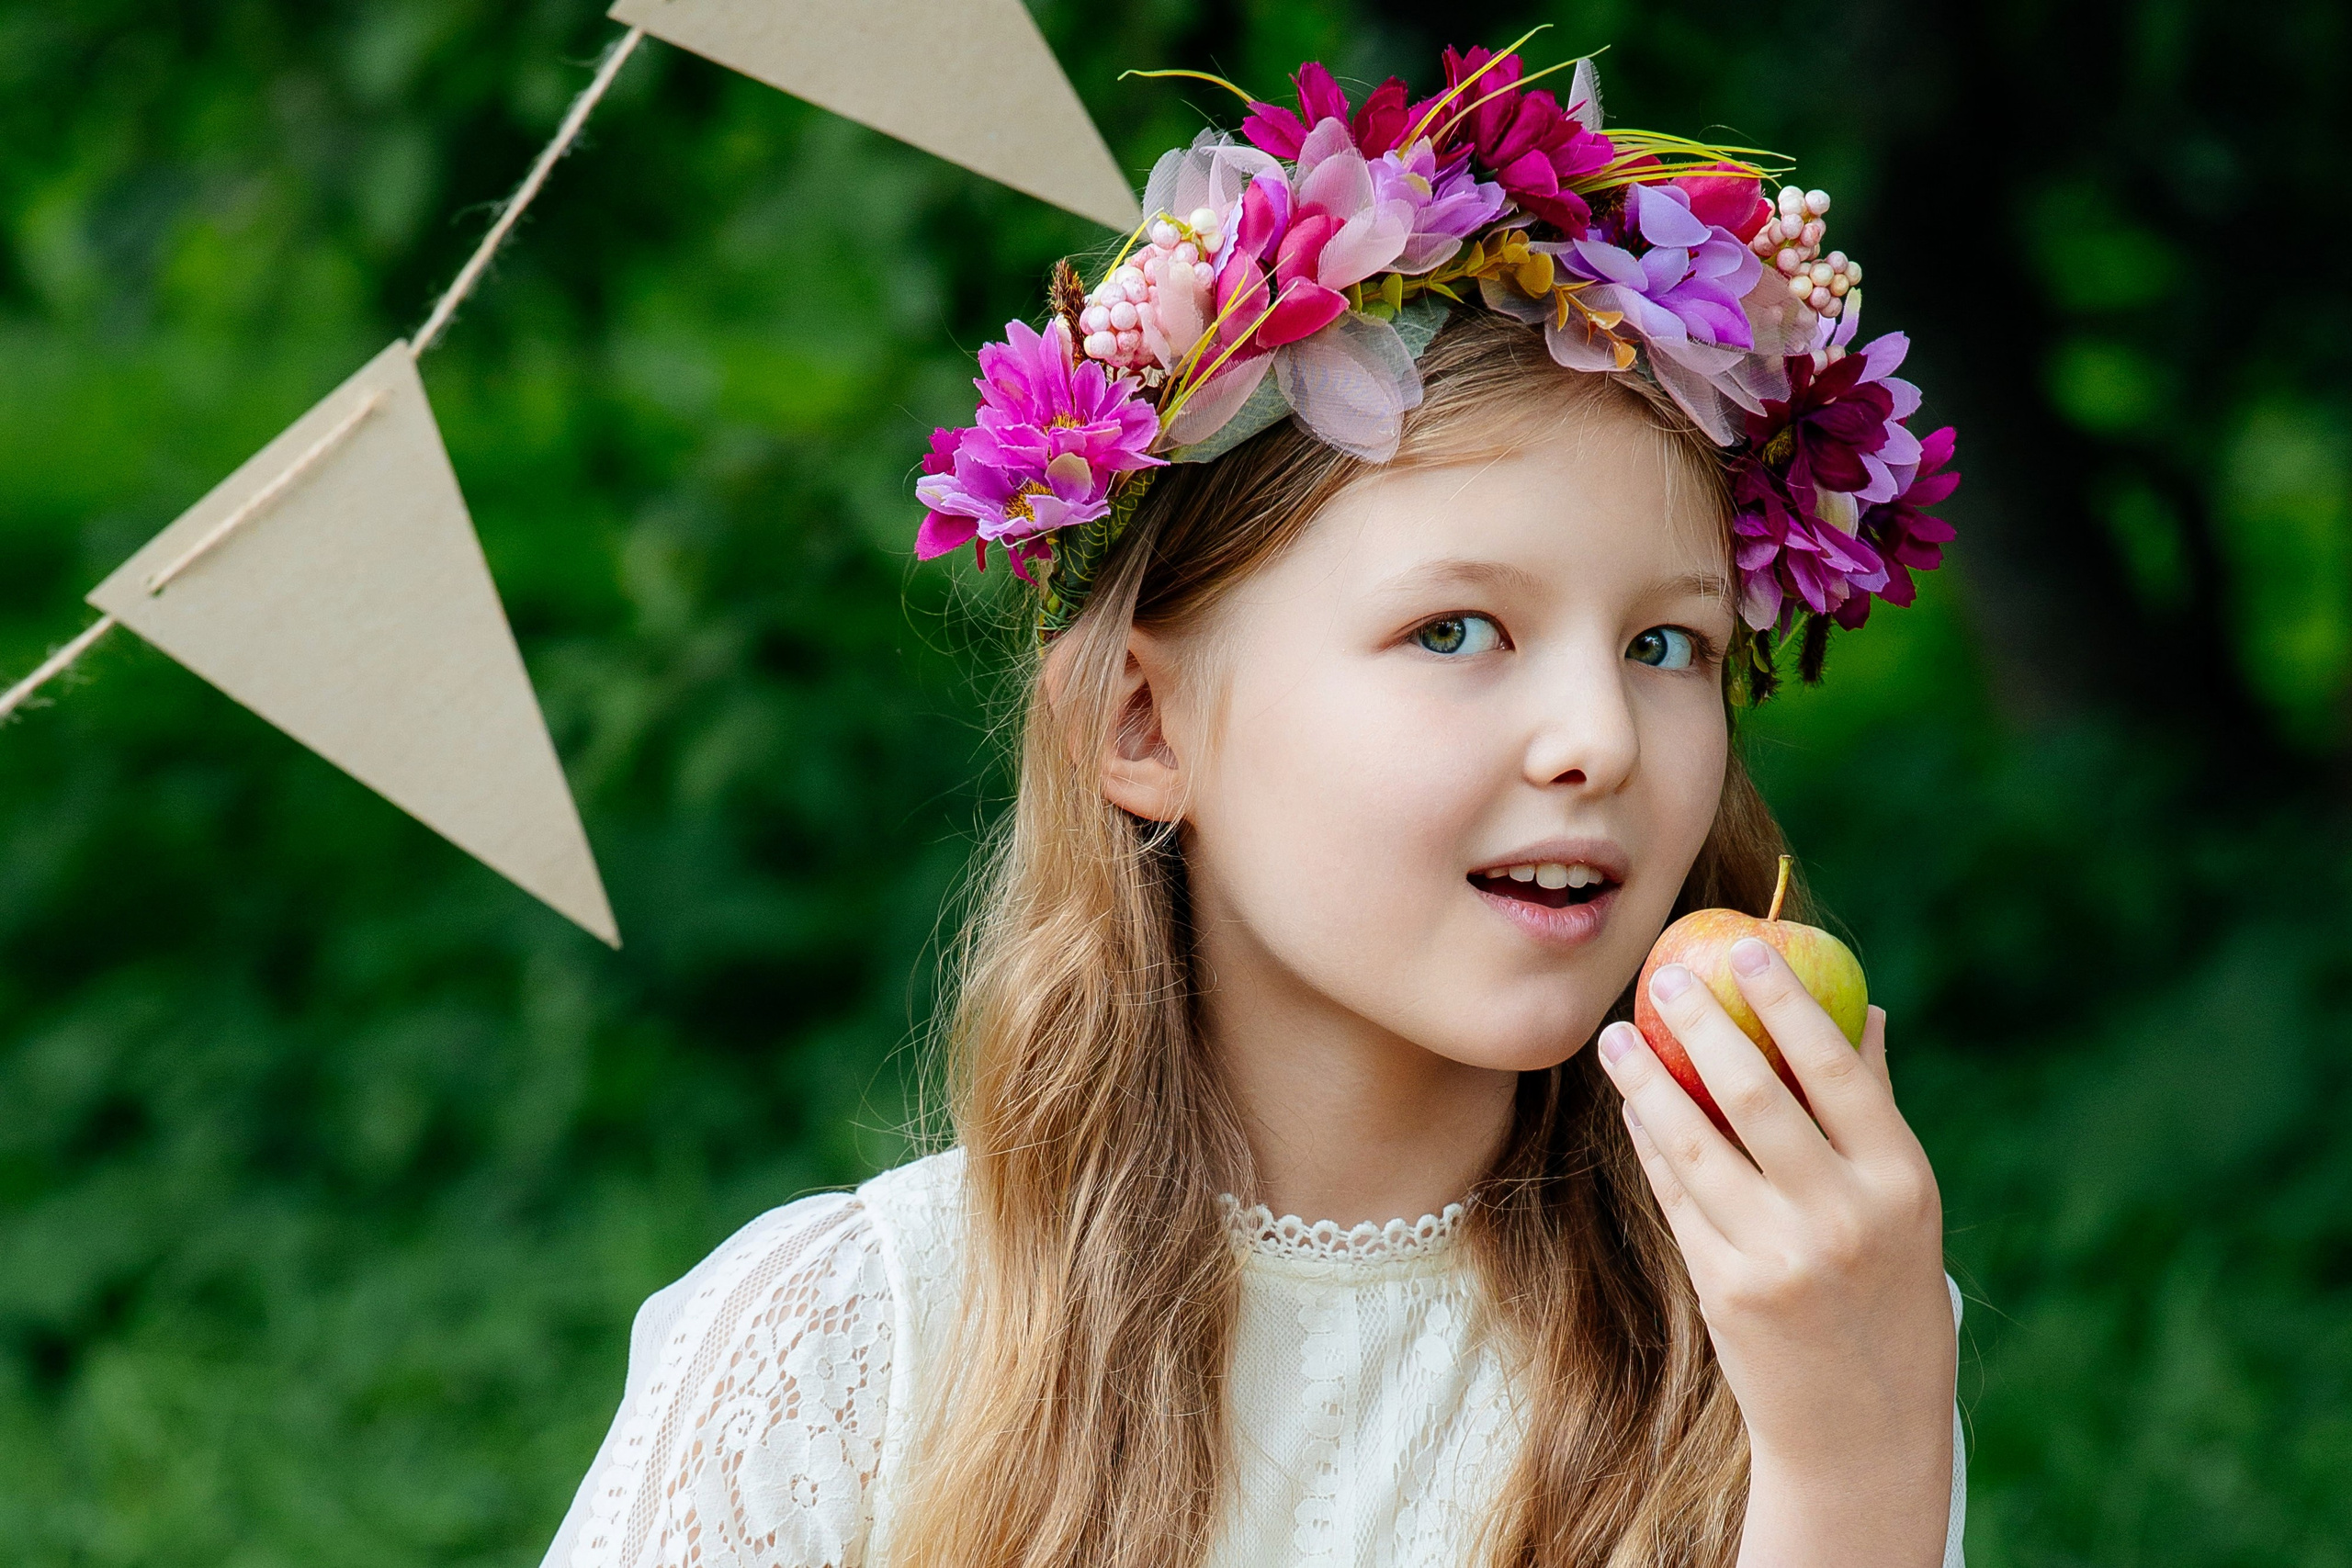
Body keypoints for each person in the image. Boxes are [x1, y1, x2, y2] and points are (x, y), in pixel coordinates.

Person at [540, 43, 1967, 1568]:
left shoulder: (1789, 1323)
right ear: (1143, 723)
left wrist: (1851, 1460)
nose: (1598, 739)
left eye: (1666, 646)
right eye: (1456, 631)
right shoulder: (849, 1354)